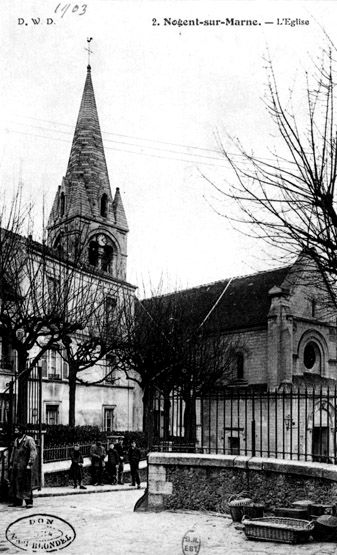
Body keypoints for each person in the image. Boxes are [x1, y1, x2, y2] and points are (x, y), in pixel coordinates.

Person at [9, 425, 37, 508]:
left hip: (24, 465)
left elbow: (33, 452)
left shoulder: (29, 440)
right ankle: (17, 501)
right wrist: (11, 463)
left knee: (26, 483)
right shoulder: (16, 440)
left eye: (17, 430)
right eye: (15, 430)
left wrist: (30, 463)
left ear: (22, 431)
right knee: (16, 482)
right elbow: (13, 452)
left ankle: (29, 501)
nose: (15, 432)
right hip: (16, 465)